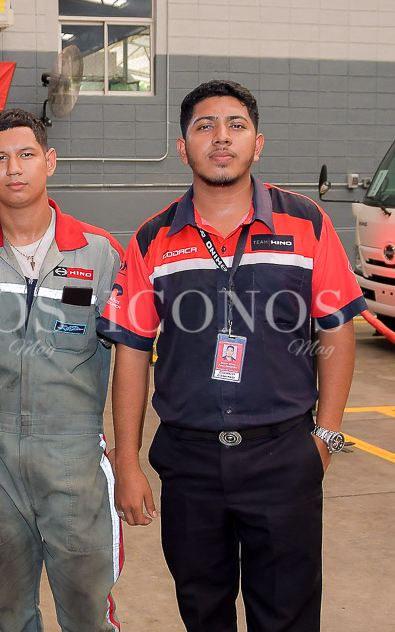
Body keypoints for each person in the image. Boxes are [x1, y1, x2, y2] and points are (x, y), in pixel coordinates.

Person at [98, 79, 365, 631]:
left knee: (288, 616)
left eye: (235, 125)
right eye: (205, 126)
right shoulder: (152, 240)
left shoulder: (306, 223)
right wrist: (127, 461)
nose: (221, 137)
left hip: (285, 456)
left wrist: (326, 437)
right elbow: (132, 353)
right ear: (183, 147)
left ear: (257, 143)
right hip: (189, 463)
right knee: (203, 613)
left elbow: (337, 331)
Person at [0, 108, 124, 631]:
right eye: (0, 158)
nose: (14, 169)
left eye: (26, 155)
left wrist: (123, 447)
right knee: (8, 611)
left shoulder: (99, 254)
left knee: (88, 610)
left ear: (50, 161)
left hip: (73, 455)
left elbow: (131, 358)